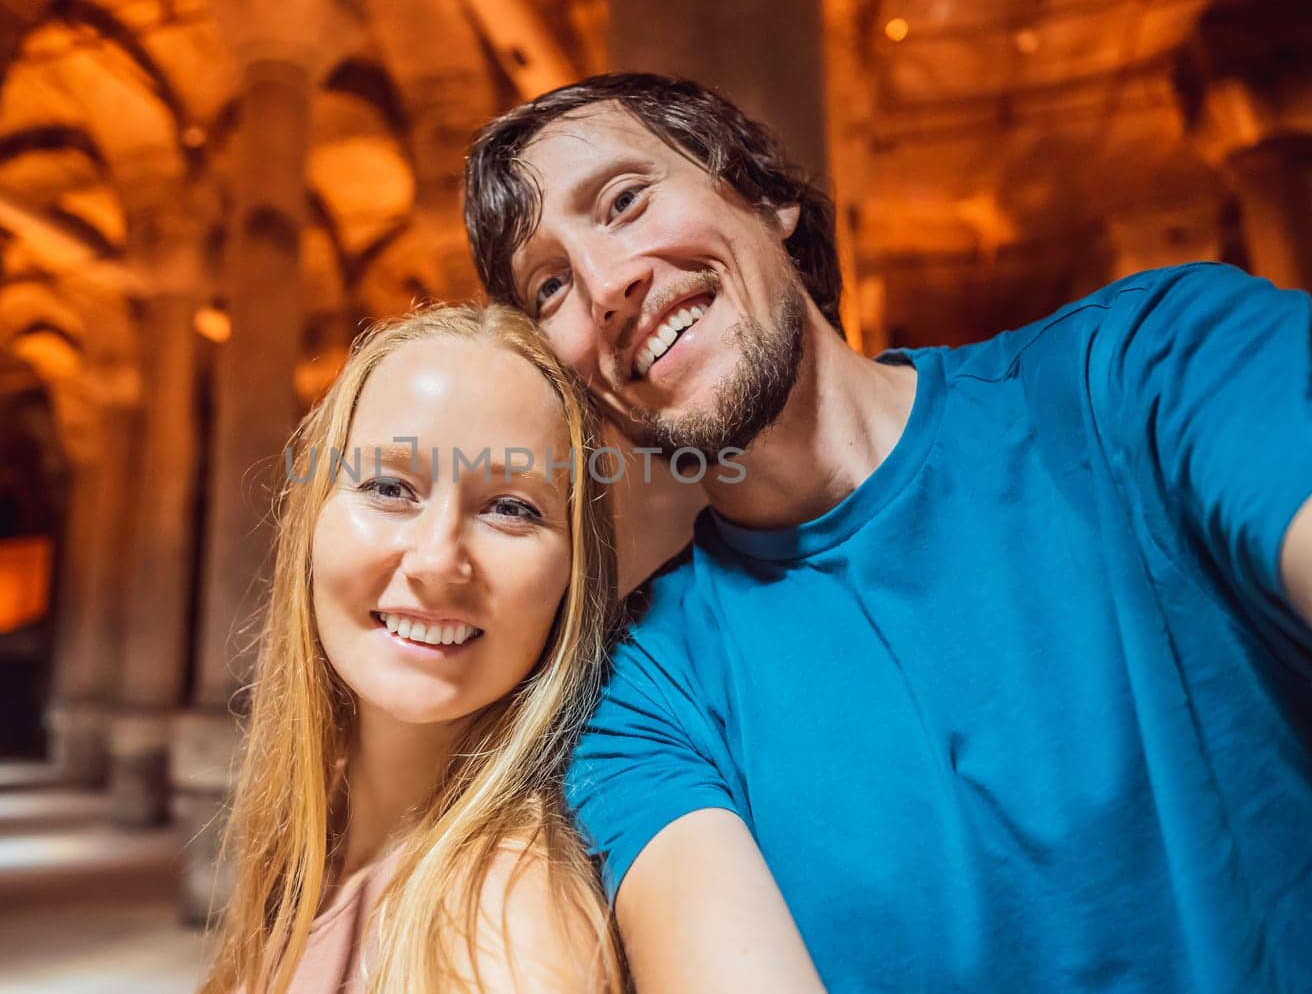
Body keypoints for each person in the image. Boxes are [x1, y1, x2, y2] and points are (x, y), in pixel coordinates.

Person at [463, 72, 1312, 992]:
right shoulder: (640, 695)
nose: (607, 285)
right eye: (549, 285)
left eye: (625, 201)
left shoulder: (1152, 368)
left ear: (765, 194)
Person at [200, 305, 624, 994]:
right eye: (389, 487)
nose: (436, 559)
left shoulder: (506, 935)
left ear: (576, 572)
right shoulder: (314, 840)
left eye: (512, 507)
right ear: (311, 520)